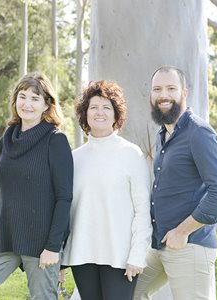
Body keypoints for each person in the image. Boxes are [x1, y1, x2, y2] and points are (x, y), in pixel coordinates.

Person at [0, 72, 73, 299]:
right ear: (15, 100)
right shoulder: (7, 138)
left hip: (42, 244)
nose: (27, 103)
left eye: (35, 98)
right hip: (4, 237)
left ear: (46, 105)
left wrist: (53, 246)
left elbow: (64, 198)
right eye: (22, 96)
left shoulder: (56, 140)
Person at [133, 66, 217, 300]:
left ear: (184, 93)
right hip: (160, 245)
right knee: (127, 293)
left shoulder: (199, 133)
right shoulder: (163, 135)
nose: (163, 95)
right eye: (157, 89)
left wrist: (182, 231)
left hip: (190, 245)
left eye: (171, 88)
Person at [62, 80, 152, 300]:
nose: (99, 112)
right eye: (93, 107)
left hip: (120, 257)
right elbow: (66, 210)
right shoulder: (74, 158)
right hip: (82, 254)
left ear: (115, 115)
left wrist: (138, 255)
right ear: (85, 114)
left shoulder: (132, 154)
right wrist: (61, 258)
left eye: (106, 107)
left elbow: (143, 210)